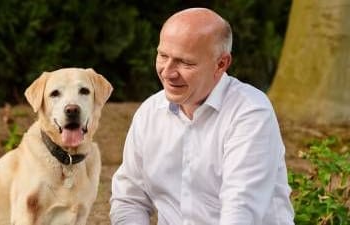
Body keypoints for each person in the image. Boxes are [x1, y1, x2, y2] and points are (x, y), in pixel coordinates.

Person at [110, 7, 294, 225]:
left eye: (185, 62)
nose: (168, 72)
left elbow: (241, 210)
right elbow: (129, 200)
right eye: (163, 55)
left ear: (221, 64)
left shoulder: (250, 113)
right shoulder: (149, 113)